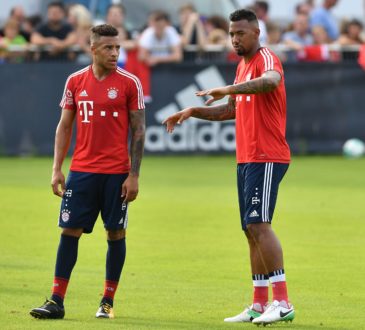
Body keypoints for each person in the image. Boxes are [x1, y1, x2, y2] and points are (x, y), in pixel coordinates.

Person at [163, 9, 294, 326]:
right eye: (232, 33)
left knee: (259, 224)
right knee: (250, 230)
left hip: (266, 155)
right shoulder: (241, 66)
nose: (235, 38)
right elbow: (229, 111)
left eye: (241, 33)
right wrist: (194, 110)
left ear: (256, 32)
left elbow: (270, 82)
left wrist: (230, 89)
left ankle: (283, 301)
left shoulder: (265, 59)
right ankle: (259, 304)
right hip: (247, 157)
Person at [29, 24, 146, 320]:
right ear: (93, 49)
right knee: (69, 231)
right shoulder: (75, 81)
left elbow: (139, 131)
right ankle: (56, 300)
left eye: (117, 47)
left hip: (116, 173)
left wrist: (134, 175)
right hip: (81, 171)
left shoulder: (130, 82)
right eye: (108, 48)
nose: (115, 53)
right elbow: (65, 125)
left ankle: (107, 301)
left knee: (115, 232)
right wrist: (57, 168)